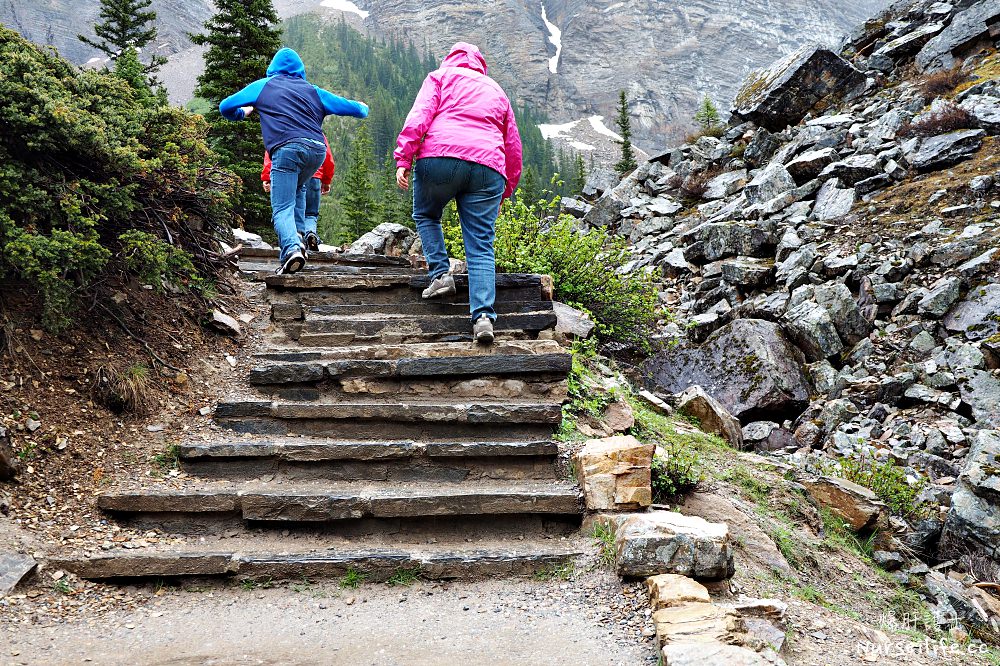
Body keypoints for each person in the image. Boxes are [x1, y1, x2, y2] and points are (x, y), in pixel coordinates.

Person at [394, 42, 522, 345]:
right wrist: (507, 188)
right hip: (489, 168)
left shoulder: (440, 76)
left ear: (450, 58)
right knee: (480, 246)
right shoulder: (496, 90)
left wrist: (404, 158)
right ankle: (482, 318)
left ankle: (440, 275)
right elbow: (513, 144)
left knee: (426, 213)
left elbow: (419, 117)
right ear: (480, 63)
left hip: (439, 158)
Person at [220, 48, 368, 275]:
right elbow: (358, 110)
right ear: (300, 70)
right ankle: (299, 237)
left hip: (287, 149)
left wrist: (243, 113)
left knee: (281, 208)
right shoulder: (313, 90)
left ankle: (291, 249)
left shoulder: (264, 85)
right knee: (298, 188)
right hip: (317, 152)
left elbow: (225, 106)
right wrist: (361, 105)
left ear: (273, 69)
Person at [262, 137, 335, 252]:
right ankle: (310, 233)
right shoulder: (315, 130)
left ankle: (296, 239)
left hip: (293, 175)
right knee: (311, 213)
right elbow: (328, 157)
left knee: (289, 210)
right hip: (315, 177)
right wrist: (326, 180)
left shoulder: (283, 129)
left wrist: (267, 176)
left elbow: (271, 153)